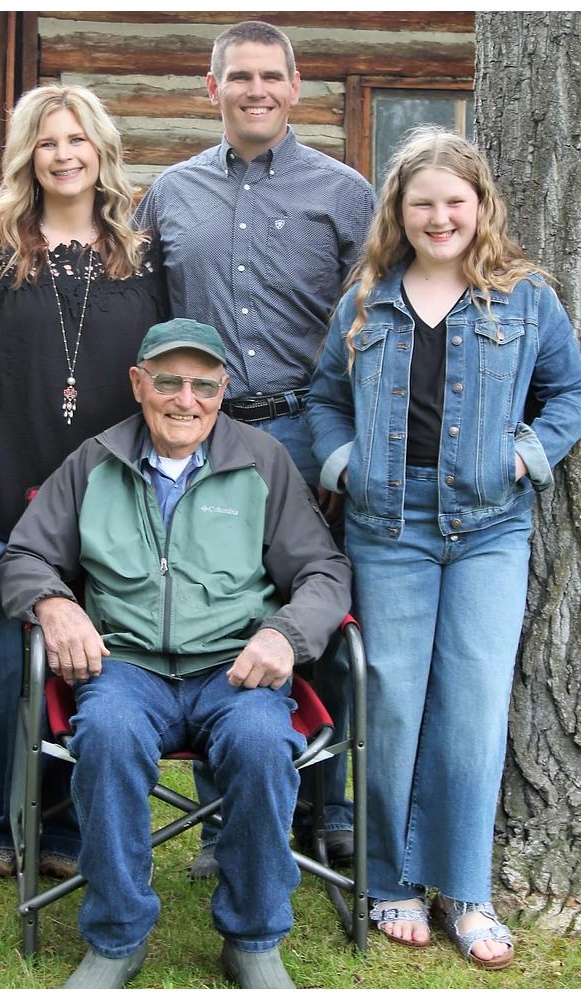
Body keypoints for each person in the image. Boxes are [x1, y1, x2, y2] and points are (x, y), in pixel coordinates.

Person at [0, 318, 351, 988]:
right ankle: (116, 938)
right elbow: (23, 556)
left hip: (235, 668)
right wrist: (54, 604)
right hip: (124, 669)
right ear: (138, 384)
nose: (186, 399)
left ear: (222, 390)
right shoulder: (94, 461)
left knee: (259, 743)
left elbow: (323, 571)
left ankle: (253, 938)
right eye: (169, 381)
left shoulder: (262, 460)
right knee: (107, 735)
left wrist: (286, 634)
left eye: (204, 386)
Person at [308, 126, 581, 970]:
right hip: (388, 527)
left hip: (489, 528)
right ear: (398, 209)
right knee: (390, 702)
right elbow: (325, 397)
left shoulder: (525, 299)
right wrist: (345, 465)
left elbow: (568, 391)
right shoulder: (367, 300)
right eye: (421, 203)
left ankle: (465, 890)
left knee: (472, 707)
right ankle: (389, 880)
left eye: (454, 202)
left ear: (480, 205)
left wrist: (525, 457)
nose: (439, 218)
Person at [133, 19, 376, 872]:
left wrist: (348, 447)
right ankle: (220, 818)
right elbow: (147, 318)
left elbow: (372, 326)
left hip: (311, 432)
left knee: (324, 608)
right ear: (213, 88)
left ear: (295, 87)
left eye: (271, 76)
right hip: (205, 432)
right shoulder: (170, 194)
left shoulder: (346, 193)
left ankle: (327, 807)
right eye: (239, 76)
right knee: (214, 612)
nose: (256, 90)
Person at [0, 83, 167, 879]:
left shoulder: (145, 257)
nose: (64, 155)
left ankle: (63, 828)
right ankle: (2, 819)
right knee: (3, 670)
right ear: (25, 157)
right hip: (7, 489)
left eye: (76, 139)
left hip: (114, 501)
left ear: (101, 150)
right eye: (46, 141)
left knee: (88, 665)